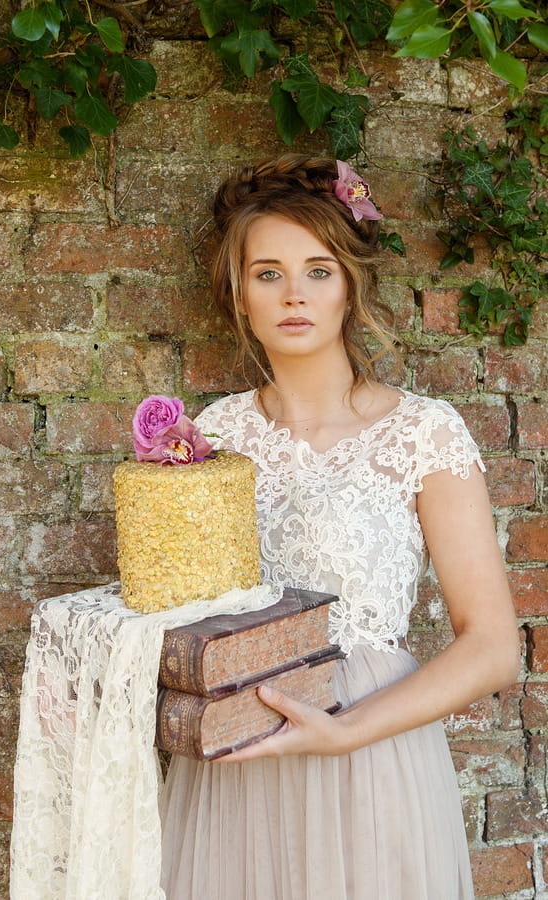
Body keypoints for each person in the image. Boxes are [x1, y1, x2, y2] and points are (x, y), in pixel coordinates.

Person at [159, 154, 519, 899]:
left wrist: (347, 732)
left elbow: (491, 647)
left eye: (318, 270)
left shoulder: (424, 432)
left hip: (370, 751)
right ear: (239, 296)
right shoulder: (207, 438)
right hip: (239, 762)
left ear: (350, 286)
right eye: (268, 273)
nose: (295, 294)